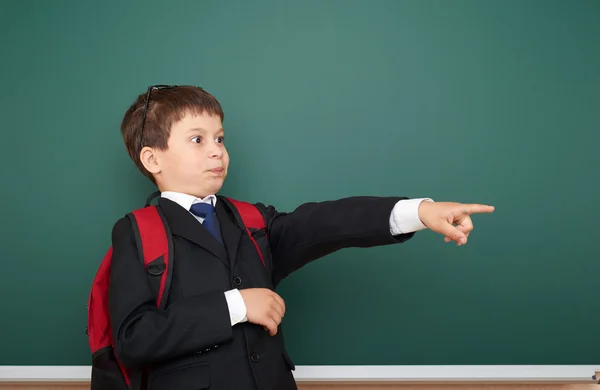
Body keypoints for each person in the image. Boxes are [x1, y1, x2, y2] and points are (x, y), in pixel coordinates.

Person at [109, 85, 494, 390]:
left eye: (220, 139)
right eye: (198, 139)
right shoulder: (136, 231)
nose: (217, 151)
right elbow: (133, 337)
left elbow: (325, 223)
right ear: (152, 159)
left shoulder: (251, 220)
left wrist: (418, 212)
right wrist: (236, 307)